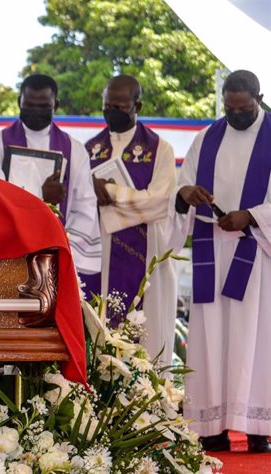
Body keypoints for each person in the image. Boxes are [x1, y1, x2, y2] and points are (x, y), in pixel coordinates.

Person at [170, 70, 271, 452]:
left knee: (255, 338)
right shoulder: (207, 137)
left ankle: (258, 428)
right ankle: (211, 427)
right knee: (211, 337)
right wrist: (186, 194)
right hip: (212, 249)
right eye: (228, 108)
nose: (235, 115)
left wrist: (251, 216)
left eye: (243, 109)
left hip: (257, 251)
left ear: (259, 99)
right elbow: (183, 187)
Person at [84, 75, 177, 365]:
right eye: (106, 106)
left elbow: (159, 201)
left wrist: (111, 194)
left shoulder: (160, 149)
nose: (112, 112)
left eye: (120, 106)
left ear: (138, 105)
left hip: (143, 249)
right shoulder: (88, 148)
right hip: (98, 253)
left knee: (142, 335)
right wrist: (91, 192)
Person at [0, 74, 101, 276]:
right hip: (7, 252)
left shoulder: (74, 150)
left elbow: (84, 206)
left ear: (56, 105)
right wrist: (41, 197)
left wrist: (61, 249)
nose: (35, 112)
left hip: (56, 256)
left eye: (43, 107)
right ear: (19, 102)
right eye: (29, 106)